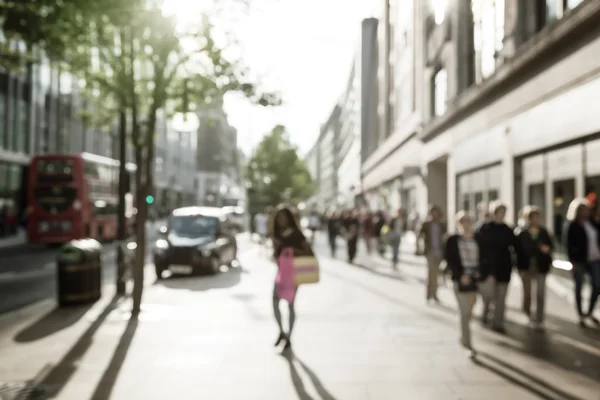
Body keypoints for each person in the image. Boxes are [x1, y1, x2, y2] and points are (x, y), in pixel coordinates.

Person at [270, 206, 313, 350]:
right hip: (281, 274)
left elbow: (307, 251)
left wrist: (294, 251)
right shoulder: (276, 234)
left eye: (284, 217)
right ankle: (282, 331)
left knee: (290, 305)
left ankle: (289, 336)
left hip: (293, 275)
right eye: (279, 218)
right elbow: (275, 255)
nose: (282, 221)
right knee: (275, 303)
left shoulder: (296, 234)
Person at [476, 201, 519, 333]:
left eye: (504, 212)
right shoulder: (484, 229)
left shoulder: (507, 230)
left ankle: (498, 322)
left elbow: (516, 247)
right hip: (488, 269)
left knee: (501, 297)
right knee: (488, 296)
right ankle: (485, 313)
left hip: (504, 268)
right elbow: (479, 249)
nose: (502, 215)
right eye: (499, 212)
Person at [445, 211, 481, 357]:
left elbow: (483, 257)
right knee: (464, 311)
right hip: (460, 279)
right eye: (464, 221)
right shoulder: (453, 240)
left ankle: (463, 337)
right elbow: (450, 259)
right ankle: (467, 342)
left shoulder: (477, 238)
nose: (467, 224)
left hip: (475, 279)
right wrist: (460, 275)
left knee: (470, 311)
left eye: (469, 221)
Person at [564, 198, 600, 327]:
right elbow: (568, 245)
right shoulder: (572, 225)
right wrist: (572, 261)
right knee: (578, 287)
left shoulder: (592, 223)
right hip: (579, 260)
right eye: (583, 209)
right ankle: (580, 314)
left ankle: (589, 312)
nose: (586, 212)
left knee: (597, 285)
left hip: (595, 259)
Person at [515, 206, 552, 330]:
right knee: (527, 293)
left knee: (540, 293)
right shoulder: (522, 233)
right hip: (526, 267)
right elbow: (519, 251)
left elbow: (550, 246)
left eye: (537, 217)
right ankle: (527, 312)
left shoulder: (543, 231)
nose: (535, 220)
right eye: (532, 217)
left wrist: (546, 250)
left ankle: (540, 317)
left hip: (541, 266)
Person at [419, 205, 447, 304]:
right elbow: (420, 235)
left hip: (439, 252)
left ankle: (433, 294)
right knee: (432, 273)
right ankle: (430, 295)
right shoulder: (426, 224)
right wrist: (420, 247)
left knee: (435, 274)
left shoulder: (442, 224)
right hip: (430, 251)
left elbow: (444, 237)